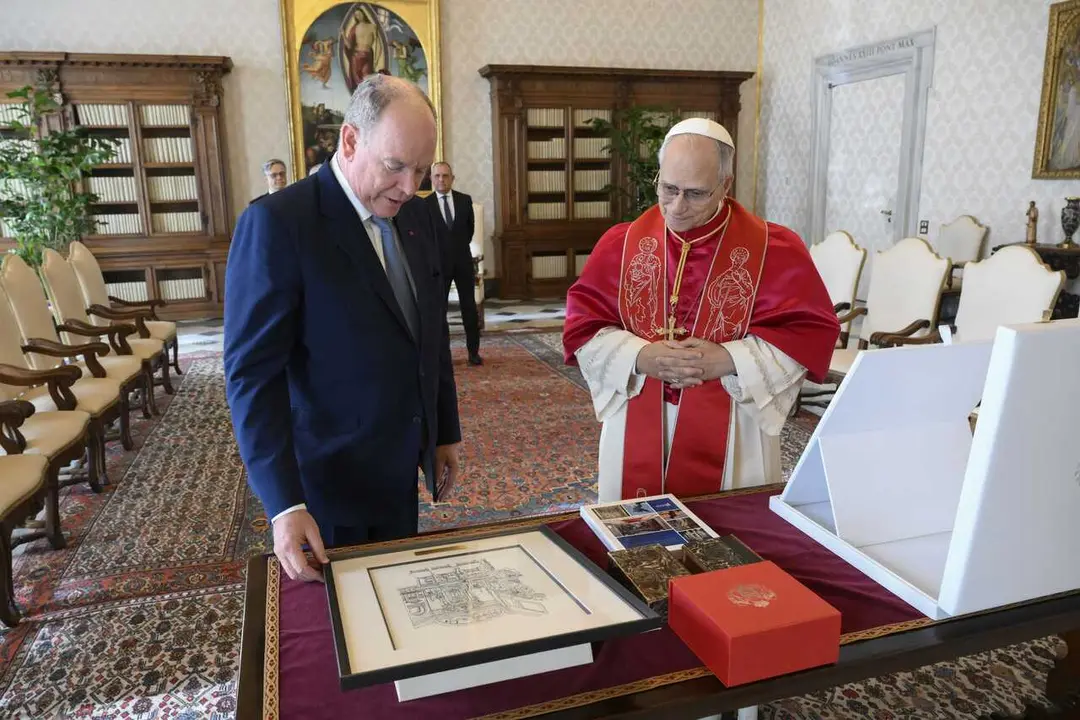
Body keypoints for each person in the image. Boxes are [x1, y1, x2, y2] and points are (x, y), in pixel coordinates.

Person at [224, 74, 462, 583]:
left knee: (398, 606)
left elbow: (429, 332)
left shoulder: (417, 219)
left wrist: (443, 430)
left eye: (421, 170)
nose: (409, 187)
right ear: (350, 141)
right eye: (396, 166)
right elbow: (251, 377)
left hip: (399, 468)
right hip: (324, 486)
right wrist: (284, 505)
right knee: (337, 633)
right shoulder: (280, 224)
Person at [563, 118, 839, 502]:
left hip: (734, 423)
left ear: (725, 185)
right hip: (638, 413)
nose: (677, 207)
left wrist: (729, 358)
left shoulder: (775, 249)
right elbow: (583, 326)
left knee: (730, 541)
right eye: (668, 188)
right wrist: (640, 355)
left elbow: (809, 333)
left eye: (695, 193)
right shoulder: (620, 243)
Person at [425, 161, 483, 365]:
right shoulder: (424, 205)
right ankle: (443, 355)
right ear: (431, 179)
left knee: (469, 308)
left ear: (452, 178)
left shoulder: (465, 200)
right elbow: (426, 237)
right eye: (437, 176)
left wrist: (456, 249)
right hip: (438, 265)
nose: (441, 179)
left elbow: (469, 231)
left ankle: (473, 352)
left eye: (445, 176)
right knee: (439, 310)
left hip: (462, 262)